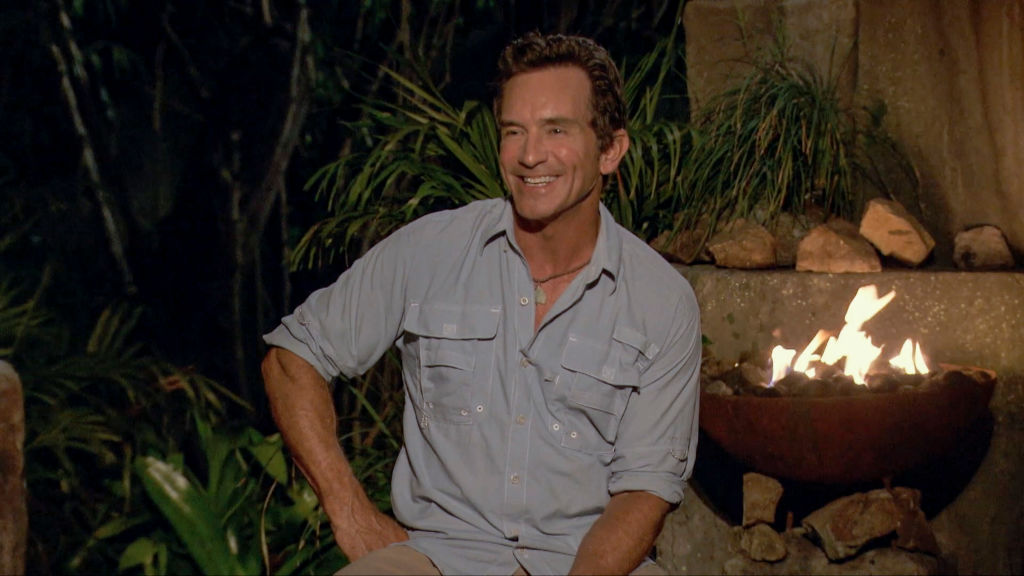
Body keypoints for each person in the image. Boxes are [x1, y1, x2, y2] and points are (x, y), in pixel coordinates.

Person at [262, 32, 701, 575]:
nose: (530, 155)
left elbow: (644, 493)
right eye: (514, 131)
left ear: (610, 150)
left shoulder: (662, 301)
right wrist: (350, 512)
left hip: (589, 562)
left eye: (556, 130)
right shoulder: (430, 251)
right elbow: (290, 360)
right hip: (438, 556)